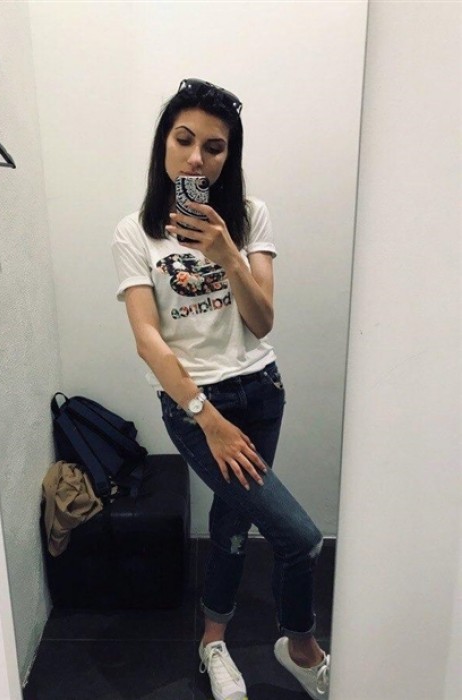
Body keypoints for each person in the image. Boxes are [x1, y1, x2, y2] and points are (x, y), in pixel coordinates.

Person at [111, 78, 330, 700]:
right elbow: (148, 340)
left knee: (232, 520)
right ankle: (301, 647)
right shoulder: (134, 234)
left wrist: (228, 252)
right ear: (163, 144)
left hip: (262, 390)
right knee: (300, 538)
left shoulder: (250, 216)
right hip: (197, 407)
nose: (196, 159)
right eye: (184, 140)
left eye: (214, 147)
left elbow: (262, 320)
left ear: (229, 156)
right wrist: (206, 416)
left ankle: (212, 640)